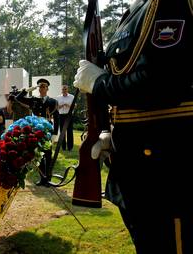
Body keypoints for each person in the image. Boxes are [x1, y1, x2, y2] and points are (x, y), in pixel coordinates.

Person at [73, 1, 193, 253]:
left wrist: (100, 84)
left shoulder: (172, 4)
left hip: (171, 172)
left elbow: (162, 83)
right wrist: (110, 131)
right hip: (138, 169)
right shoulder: (134, 11)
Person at [16, 79, 58, 187]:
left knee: (48, 154)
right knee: (38, 154)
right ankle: (42, 178)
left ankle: (48, 178)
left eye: (44, 86)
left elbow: (56, 118)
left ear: (47, 88)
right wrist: (28, 90)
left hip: (47, 130)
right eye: (40, 86)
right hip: (36, 129)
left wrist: (55, 134)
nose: (41, 88)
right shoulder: (34, 100)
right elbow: (18, 98)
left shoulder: (53, 101)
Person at [55, 84, 74, 151]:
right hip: (61, 115)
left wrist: (68, 105)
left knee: (69, 131)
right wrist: (61, 105)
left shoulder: (72, 97)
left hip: (69, 115)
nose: (64, 90)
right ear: (61, 90)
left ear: (67, 89)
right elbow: (56, 108)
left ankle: (70, 147)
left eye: (65, 89)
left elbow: (75, 106)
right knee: (62, 132)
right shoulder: (58, 97)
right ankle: (63, 147)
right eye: (63, 89)